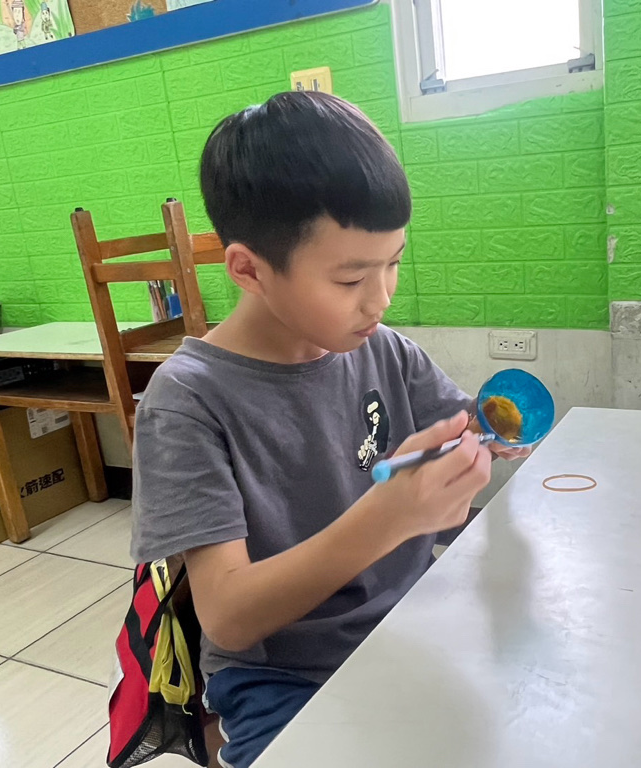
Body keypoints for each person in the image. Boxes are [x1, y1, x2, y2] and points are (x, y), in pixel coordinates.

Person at [131, 91, 528, 768]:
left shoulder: (385, 351)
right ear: (249, 269)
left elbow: (464, 424)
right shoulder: (188, 401)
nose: (382, 297)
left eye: (393, 262)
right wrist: (389, 517)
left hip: (408, 622)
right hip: (282, 675)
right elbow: (228, 615)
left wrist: (496, 432)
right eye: (351, 279)